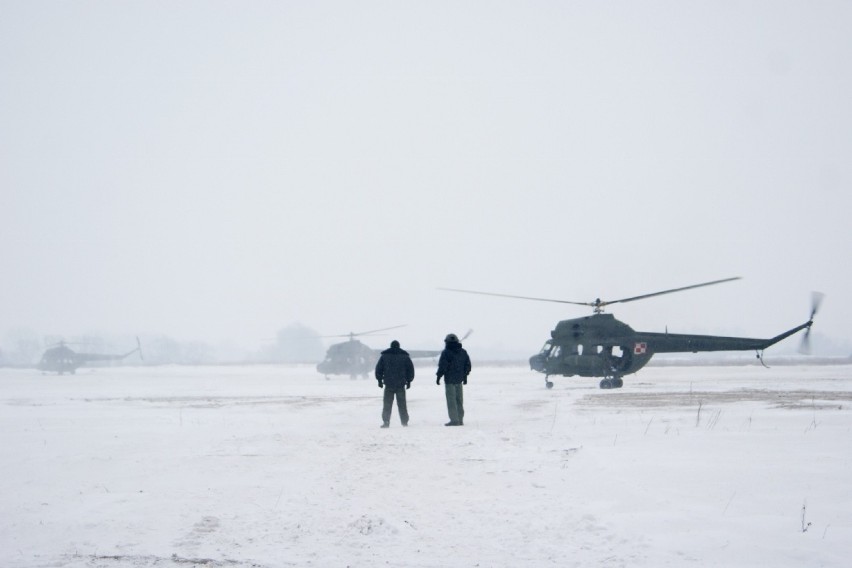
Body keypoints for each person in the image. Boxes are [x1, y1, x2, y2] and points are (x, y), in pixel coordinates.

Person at [374, 340, 414, 428]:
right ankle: (404, 422)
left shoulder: (384, 356)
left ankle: (386, 422)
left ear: (391, 346)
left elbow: (379, 369)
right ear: (399, 346)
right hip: (400, 384)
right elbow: (410, 370)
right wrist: (409, 381)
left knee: (387, 405)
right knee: (402, 405)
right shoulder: (405, 356)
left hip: (389, 384)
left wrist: (379, 380)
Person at [436, 333, 471, 426]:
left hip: (449, 380)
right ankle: (460, 419)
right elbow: (467, 365)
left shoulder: (446, 353)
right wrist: (465, 377)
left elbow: (442, 366)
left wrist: (439, 376)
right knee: (459, 400)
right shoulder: (463, 352)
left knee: (451, 401)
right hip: (459, 380)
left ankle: (454, 420)